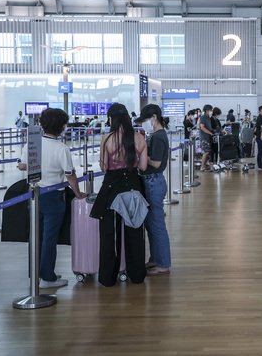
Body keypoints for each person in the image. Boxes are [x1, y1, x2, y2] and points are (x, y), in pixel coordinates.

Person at [91, 103, 148, 287]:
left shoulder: (107, 138)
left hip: (112, 189)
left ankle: (108, 278)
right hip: (133, 187)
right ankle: (137, 275)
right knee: (135, 231)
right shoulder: (139, 138)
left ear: (111, 119)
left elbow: (104, 167)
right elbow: (143, 167)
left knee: (109, 235)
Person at [36, 108, 88, 289]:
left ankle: (38, 273)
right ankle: (48, 278)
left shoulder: (33, 143)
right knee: (49, 238)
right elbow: (70, 175)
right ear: (60, 126)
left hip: (34, 195)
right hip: (53, 198)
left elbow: (22, 165)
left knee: (35, 236)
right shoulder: (60, 148)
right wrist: (78, 193)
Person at [134, 104, 171, 276]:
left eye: (145, 120)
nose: (144, 124)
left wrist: (139, 154)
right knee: (151, 224)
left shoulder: (158, 136)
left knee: (157, 225)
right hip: (151, 182)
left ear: (154, 117)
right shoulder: (156, 135)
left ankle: (163, 263)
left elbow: (155, 163)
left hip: (154, 182)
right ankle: (155, 258)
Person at [198, 105, 215, 171]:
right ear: (206, 110)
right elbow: (202, 127)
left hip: (208, 137)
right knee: (206, 152)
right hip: (204, 137)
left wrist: (213, 131)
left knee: (208, 152)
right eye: (210, 110)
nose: (211, 111)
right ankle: (202, 167)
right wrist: (210, 133)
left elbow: (209, 128)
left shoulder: (208, 118)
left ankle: (205, 166)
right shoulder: (203, 117)